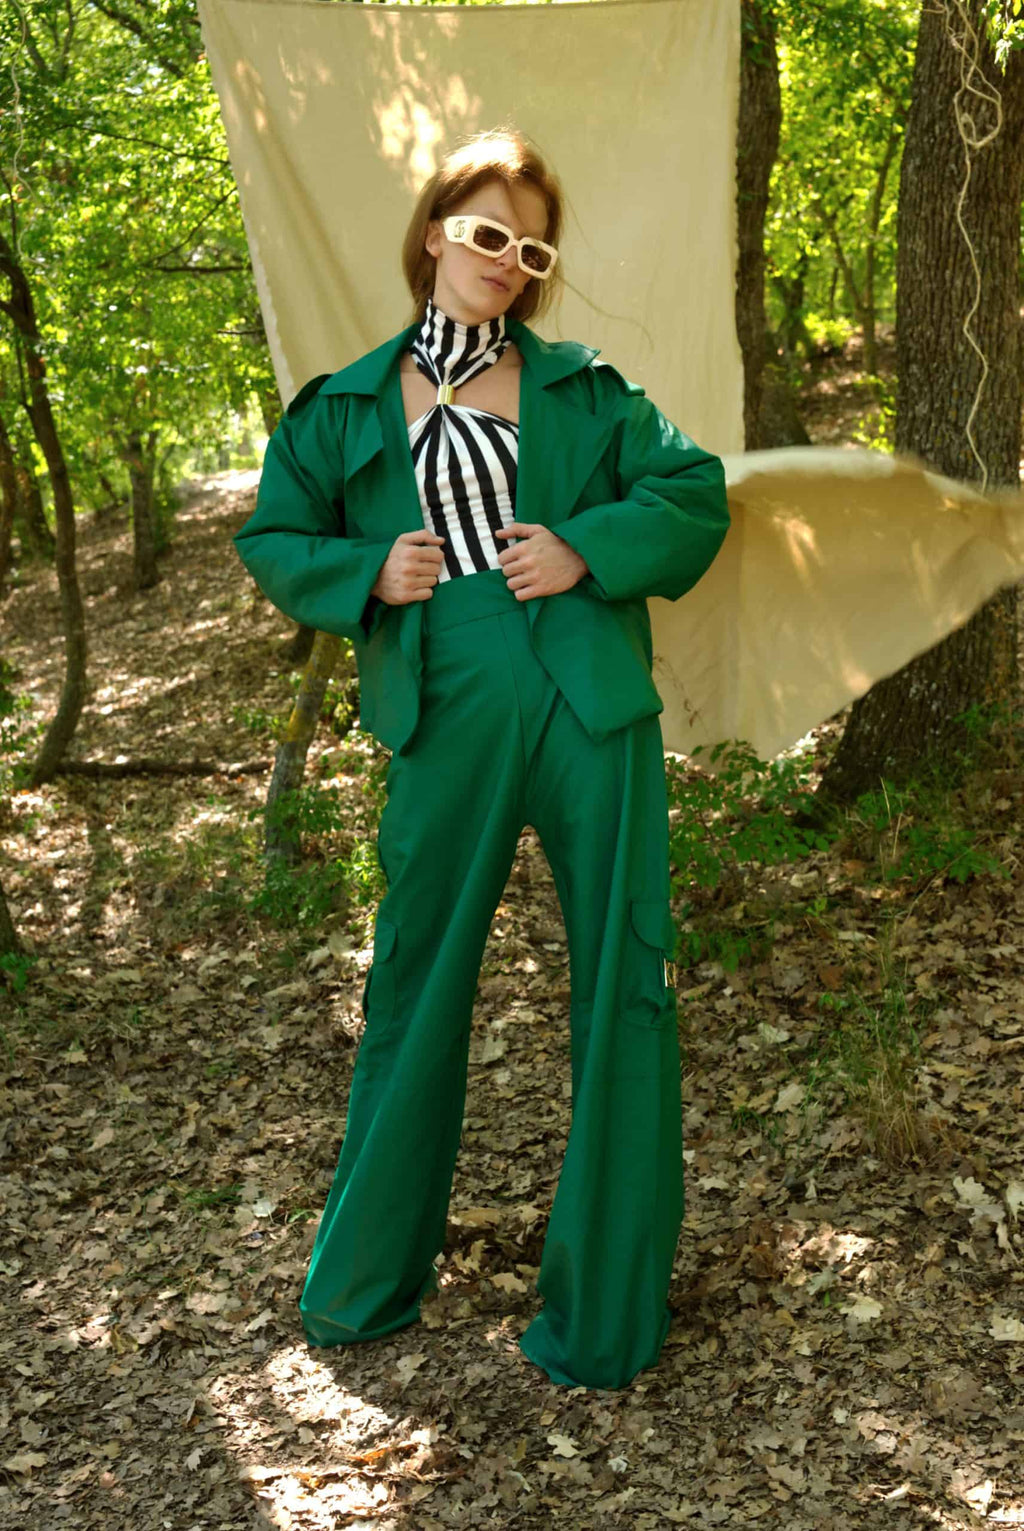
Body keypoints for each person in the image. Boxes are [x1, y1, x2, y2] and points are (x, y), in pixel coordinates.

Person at [232, 126, 731, 1390]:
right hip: (442, 699)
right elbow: (273, 533)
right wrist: (362, 573)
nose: (510, 262)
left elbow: (691, 491)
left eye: (532, 247)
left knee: (624, 978)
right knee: (416, 978)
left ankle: (605, 1316)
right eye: (490, 232)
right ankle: (365, 1286)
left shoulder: (584, 387)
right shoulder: (344, 403)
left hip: (585, 688)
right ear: (437, 234)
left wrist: (583, 547)